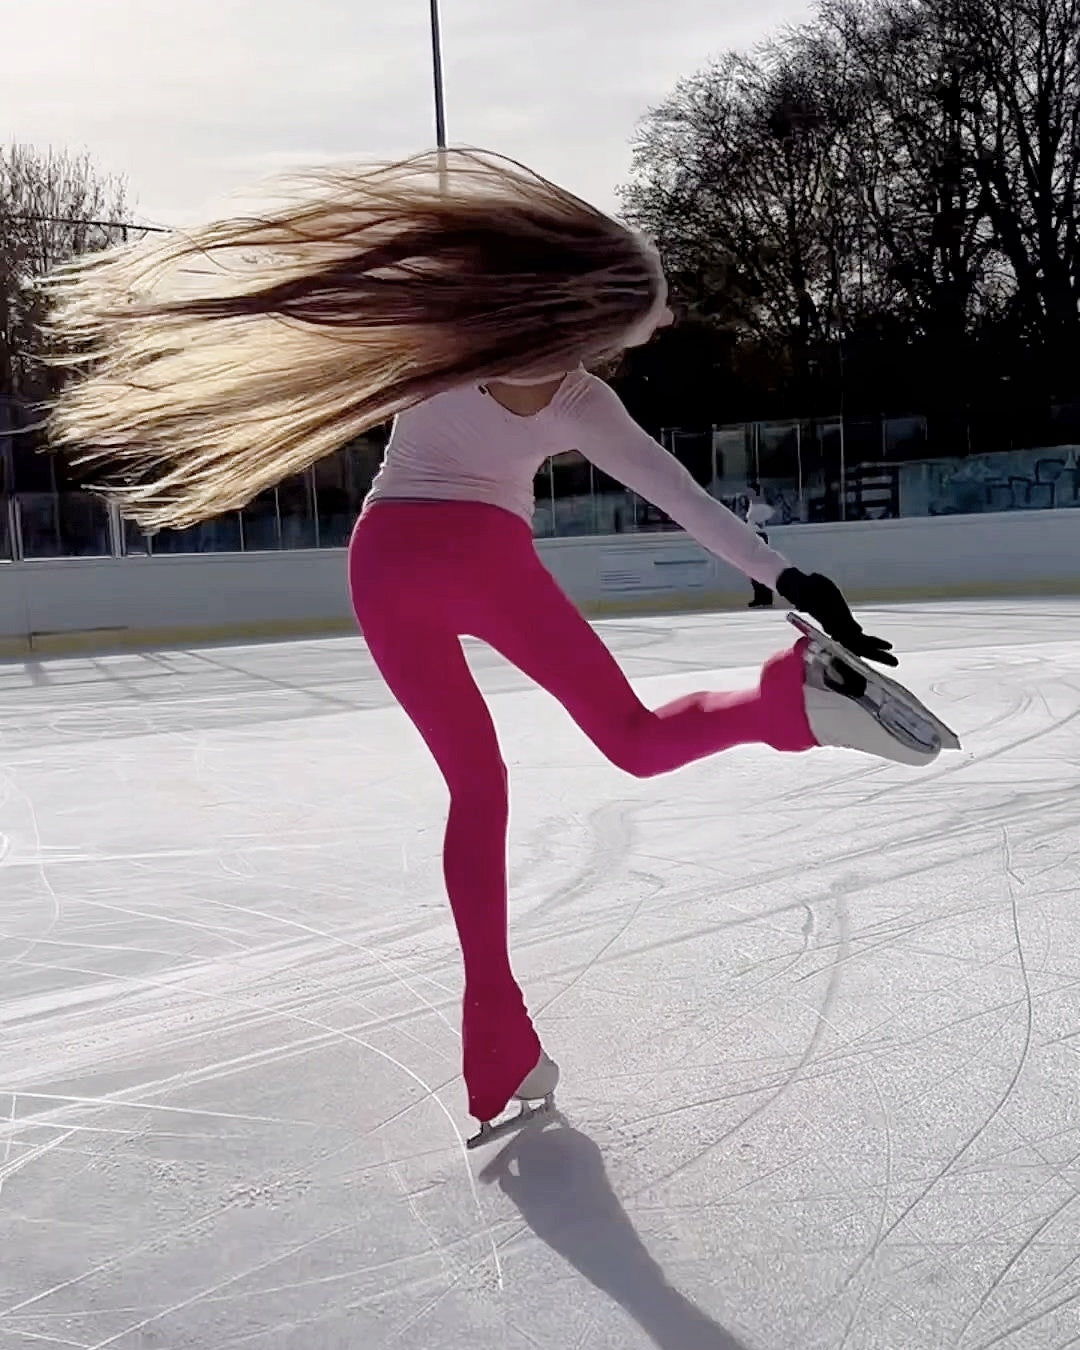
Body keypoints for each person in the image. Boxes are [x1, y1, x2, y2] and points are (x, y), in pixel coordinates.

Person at [44, 148, 947, 1140]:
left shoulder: (451, 329)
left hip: (383, 564)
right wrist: (792, 579)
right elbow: (683, 502)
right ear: (595, 327)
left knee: (476, 792)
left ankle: (496, 1040)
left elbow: (339, 306)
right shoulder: (580, 401)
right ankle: (787, 703)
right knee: (636, 740)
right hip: (482, 558)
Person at [744, 481, 775, 608]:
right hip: (753, 536)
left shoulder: (762, 507)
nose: (747, 494)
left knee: (760, 567)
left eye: (750, 491)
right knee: (753, 568)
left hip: (759, 536)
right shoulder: (753, 505)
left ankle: (765, 597)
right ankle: (760, 596)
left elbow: (763, 520)